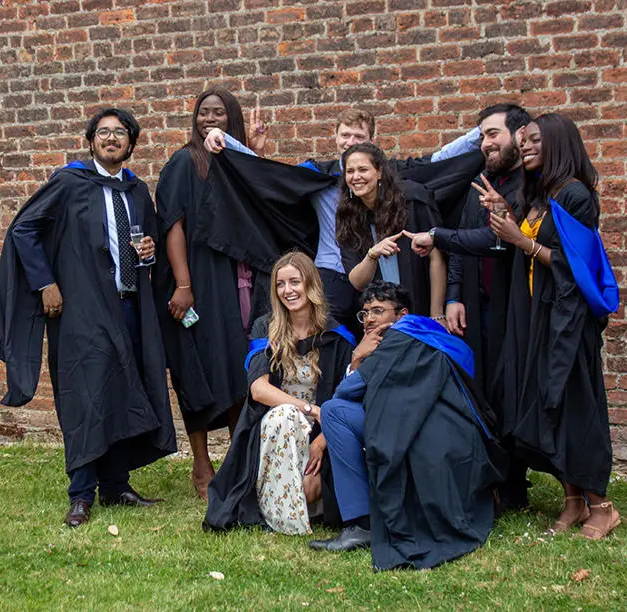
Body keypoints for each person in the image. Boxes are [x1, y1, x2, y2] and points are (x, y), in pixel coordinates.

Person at [0, 108, 176, 528]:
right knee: (84, 394)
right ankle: (81, 493)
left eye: (120, 133)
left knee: (122, 389)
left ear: (131, 144)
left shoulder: (136, 192)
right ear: (91, 140)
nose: (111, 139)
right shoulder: (69, 183)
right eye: (103, 132)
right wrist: (44, 284)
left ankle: (115, 485)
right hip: (80, 309)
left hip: (128, 304)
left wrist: (147, 253)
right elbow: (24, 229)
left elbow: (148, 246)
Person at [204, 107, 481, 329]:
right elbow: (272, 178)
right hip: (333, 271)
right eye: (345, 135)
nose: (350, 142)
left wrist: (482, 132)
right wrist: (225, 140)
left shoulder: (387, 175)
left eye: (358, 137)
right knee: (327, 333)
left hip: (378, 273)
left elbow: (438, 160)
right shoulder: (317, 177)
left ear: (371, 141)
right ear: (335, 137)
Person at [485, 113, 619, 540]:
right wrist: (509, 217)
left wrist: (521, 240)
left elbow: (575, 267)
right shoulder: (542, 196)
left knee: (575, 407)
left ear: (558, 143)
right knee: (548, 405)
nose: (524, 147)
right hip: (539, 315)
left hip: (568, 321)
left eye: (534, 141)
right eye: (522, 141)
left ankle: (603, 507)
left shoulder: (576, 196)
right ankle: (573, 502)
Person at [307, 282, 504, 570]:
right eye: (364, 313)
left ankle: (360, 525)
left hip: (420, 435)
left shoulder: (399, 338)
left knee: (334, 411)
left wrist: (357, 358)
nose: (370, 319)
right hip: (458, 440)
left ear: (402, 315)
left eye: (378, 311)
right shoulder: (437, 337)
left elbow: (346, 393)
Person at [409, 103, 533, 510]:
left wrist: (437, 236)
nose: (486, 142)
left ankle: (514, 485)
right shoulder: (481, 179)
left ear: (518, 135)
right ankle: (488, 479)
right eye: (481, 135)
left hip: (513, 303)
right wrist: (455, 294)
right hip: (476, 305)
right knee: (479, 389)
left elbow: (493, 242)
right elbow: (466, 235)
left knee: (507, 388)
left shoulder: (527, 186)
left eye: (493, 133)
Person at [153, 88, 272, 499]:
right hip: (200, 280)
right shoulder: (185, 162)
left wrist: (253, 153)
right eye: (203, 113)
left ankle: (236, 460)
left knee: (240, 369)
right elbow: (173, 225)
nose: (209, 119)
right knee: (199, 370)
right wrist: (183, 286)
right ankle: (201, 465)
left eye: (219, 113)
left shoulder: (235, 160)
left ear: (232, 119)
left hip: (241, 280)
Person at [204, 252, 356, 535]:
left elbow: (344, 401)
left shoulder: (336, 336)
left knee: (315, 488)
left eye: (294, 282)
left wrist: (320, 444)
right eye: (280, 284)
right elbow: (259, 389)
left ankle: (290, 506)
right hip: (275, 428)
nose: (287, 291)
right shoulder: (267, 327)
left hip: (322, 432)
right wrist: (308, 409)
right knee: (286, 416)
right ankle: (286, 519)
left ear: (311, 284)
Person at [335, 142, 446, 320]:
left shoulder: (412, 200)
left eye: (363, 169)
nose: (356, 177)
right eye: (350, 171)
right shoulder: (348, 215)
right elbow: (357, 282)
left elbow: (436, 258)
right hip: (378, 315)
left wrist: (437, 315)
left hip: (420, 304)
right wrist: (372, 256)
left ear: (379, 172)